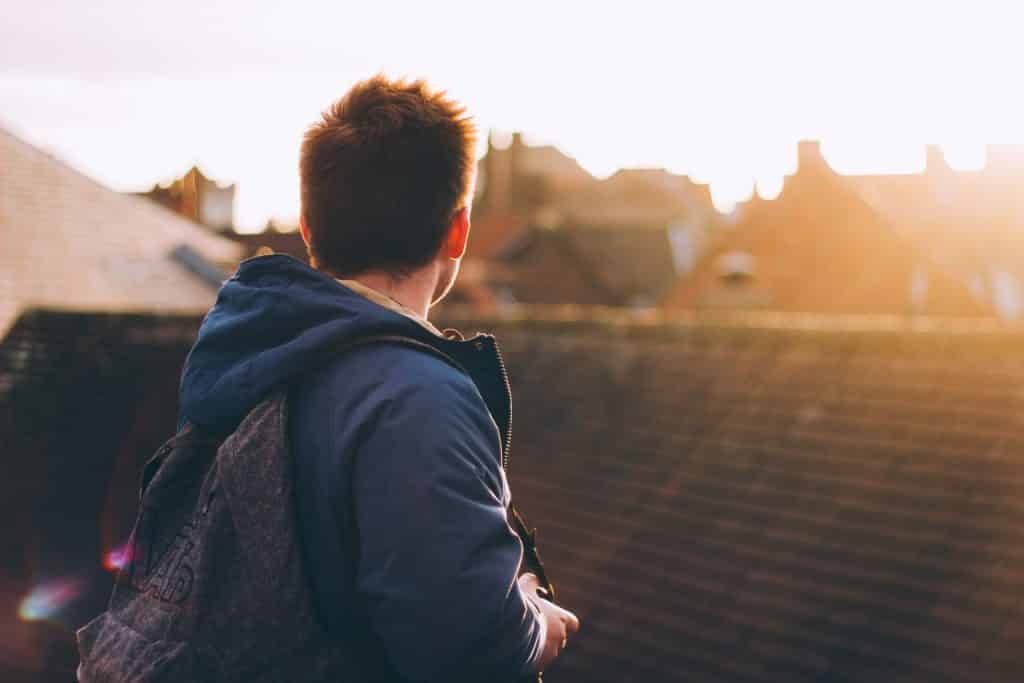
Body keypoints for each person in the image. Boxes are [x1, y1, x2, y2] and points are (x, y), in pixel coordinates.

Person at [176, 75, 579, 680]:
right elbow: (467, 647)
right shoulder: (418, 399)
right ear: (458, 230)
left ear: (308, 226)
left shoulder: (239, 355)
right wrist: (534, 624)